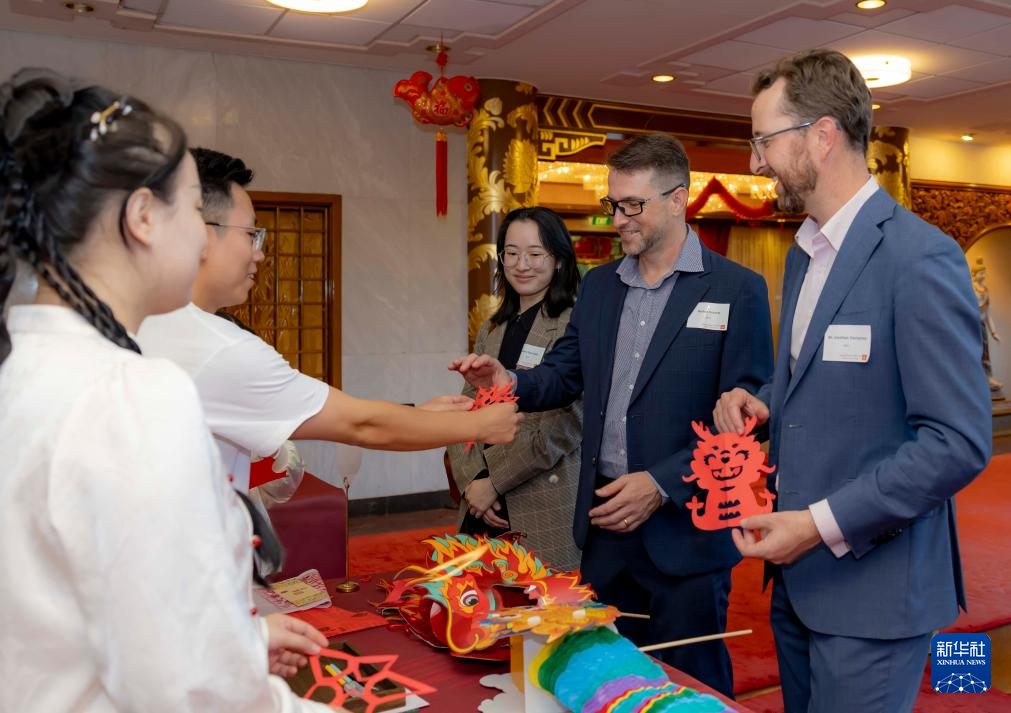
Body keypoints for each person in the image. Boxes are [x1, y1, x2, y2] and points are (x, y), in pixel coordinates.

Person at [0, 68, 332, 711]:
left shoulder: (23, 360)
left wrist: (242, 642)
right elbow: (188, 690)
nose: (204, 235)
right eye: (193, 208)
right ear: (144, 216)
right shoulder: (133, 394)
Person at [713, 49, 992, 713]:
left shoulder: (919, 256)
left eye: (763, 140)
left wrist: (816, 525)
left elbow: (956, 442)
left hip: (874, 591)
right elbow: (817, 378)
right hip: (795, 583)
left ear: (822, 135)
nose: (755, 162)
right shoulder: (803, 254)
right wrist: (765, 403)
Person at [452, 133, 773, 696]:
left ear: (677, 200)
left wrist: (661, 483)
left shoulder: (736, 289)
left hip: (686, 530)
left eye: (632, 205)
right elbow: (564, 374)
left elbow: (745, 419)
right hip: (603, 527)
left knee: (693, 685)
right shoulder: (600, 286)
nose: (617, 218)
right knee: (606, 679)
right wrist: (511, 381)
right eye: (612, 203)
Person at [138, 147, 520, 496]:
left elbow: (355, 417)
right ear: (202, 236)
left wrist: (419, 416)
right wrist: (481, 425)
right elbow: (360, 425)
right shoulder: (220, 348)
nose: (259, 254)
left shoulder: (143, 319)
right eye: (251, 234)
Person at [447, 206, 582, 570]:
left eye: (536, 254)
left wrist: (496, 482)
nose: (522, 265)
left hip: (541, 499)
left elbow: (566, 422)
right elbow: (464, 407)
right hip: (480, 502)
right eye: (511, 253)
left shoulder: (574, 325)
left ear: (559, 260)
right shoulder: (492, 328)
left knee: (540, 603)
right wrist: (473, 481)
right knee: (477, 600)